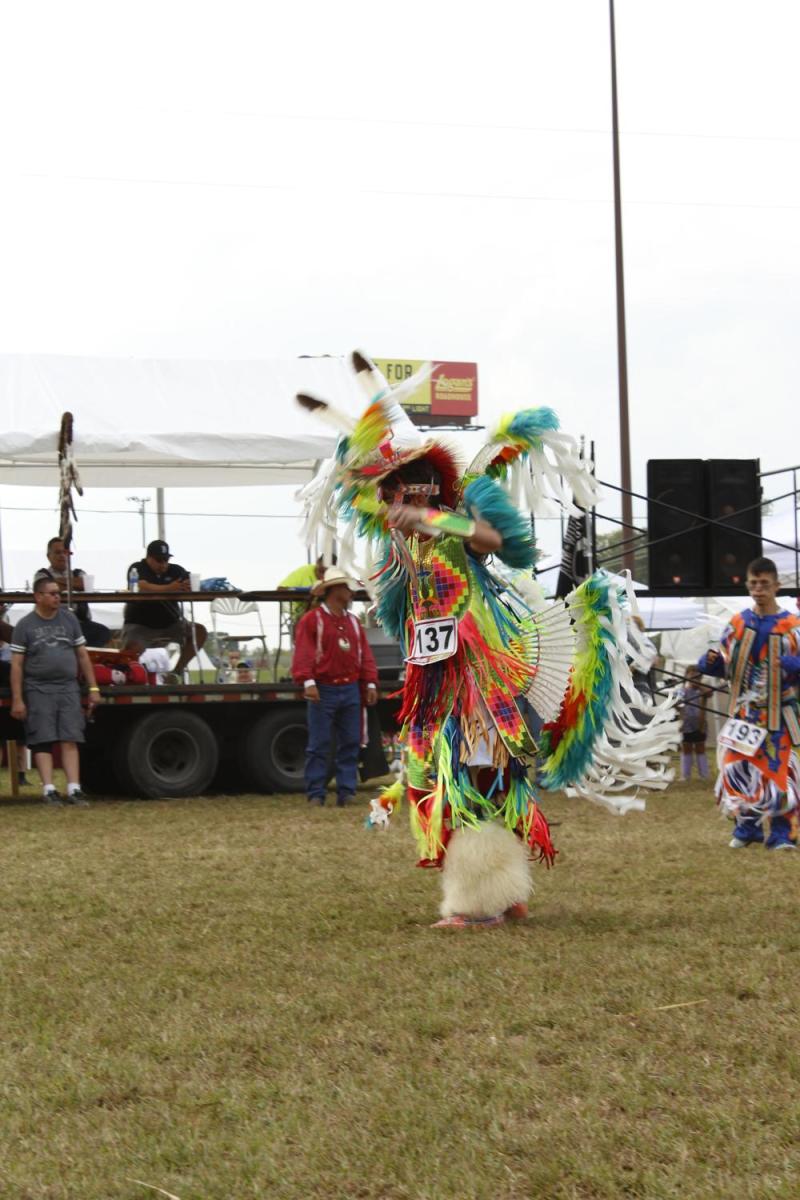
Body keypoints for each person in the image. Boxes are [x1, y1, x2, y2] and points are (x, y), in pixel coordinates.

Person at [298, 351, 679, 927]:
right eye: (395, 493)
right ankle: (506, 892)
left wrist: (432, 520)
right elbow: (364, 496)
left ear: (431, 492)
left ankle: (479, 903)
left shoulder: (449, 527)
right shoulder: (401, 542)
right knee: (450, 774)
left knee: (478, 772)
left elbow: (492, 538)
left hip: (477, 673)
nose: (400, 503)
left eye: (411, 492)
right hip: (435, 675)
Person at [698, 556, 800, 850]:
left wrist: (794, 665)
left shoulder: (792, 626)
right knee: (737, 768)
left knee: (777, 770)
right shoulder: (738, 623)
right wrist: (711, 663)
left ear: (776, 586)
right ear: (747, 584)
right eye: (754, 583)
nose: (758, 589)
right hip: (744, 714)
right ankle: (747, 828)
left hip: (779, 714)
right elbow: (727, 665)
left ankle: (782, 834)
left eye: (764, 584)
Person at [9, 577, 101, 806]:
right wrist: (18, 699)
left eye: (59, 593)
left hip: (68, 687)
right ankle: (49, 789)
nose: (57, 597)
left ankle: (74, 789)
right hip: (38, 688)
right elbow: (17, 664)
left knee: (71, 736)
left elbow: (82, 655)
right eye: (52, 593)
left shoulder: (69, 619)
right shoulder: (25, 625)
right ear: (38, 596)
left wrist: (93, 687)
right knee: (43, 738)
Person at [291, 567, 378, 806]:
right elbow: (304, 652)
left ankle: (346, 791)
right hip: (324, 688)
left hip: (350, 688)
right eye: (347, 588)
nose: (351, 593)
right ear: (334, 590)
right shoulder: (313, 620)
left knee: (350, 741)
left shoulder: (353, 622)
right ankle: (316, 793)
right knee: (319, 743)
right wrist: (308, 681)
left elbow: (364, 655)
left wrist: (370, 682)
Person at [120, 540, 207, 675]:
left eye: (166, 560)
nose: (163, 564)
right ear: (148, 558)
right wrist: (170, 587)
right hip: (140, 625)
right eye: (159, 560)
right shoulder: (137, 568)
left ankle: (177, 672)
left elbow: (189, 582)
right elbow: (141, 586)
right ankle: (134, 677)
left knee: (199, 631)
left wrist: (189, 584)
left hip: (171, 624)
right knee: (131, 650)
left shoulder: (176, 570)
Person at [33, 537, 111, 647]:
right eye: (58, 552)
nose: (62, 555)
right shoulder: (41, 574)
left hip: (80, 623)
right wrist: (73, 584)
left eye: (65, 552)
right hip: (53, 624)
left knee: (102, 633)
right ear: (48, 556)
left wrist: (56, 581)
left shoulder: (78, 572)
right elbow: (46, 587)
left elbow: (85, 584)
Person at [677, 666, 710, 781]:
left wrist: (699, 685)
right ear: (686, 677)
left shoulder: (702, 691)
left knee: (700, 748)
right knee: (686, 748)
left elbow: (709, 693)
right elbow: (676, 703)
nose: (695, 679)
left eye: (697, 677)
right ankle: (685, 775)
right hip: (686, 724)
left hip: (700, 724)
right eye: (692, 677)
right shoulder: (683, 690)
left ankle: (704, 775)